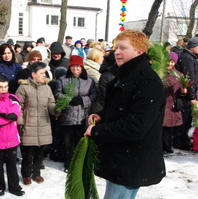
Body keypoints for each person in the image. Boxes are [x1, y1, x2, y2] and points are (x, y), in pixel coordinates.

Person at [84, 29, 166, 199]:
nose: (117, 52)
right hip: (121, 157)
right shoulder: (124, 74)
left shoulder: (146, 81)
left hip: (131, 160)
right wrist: (102, 115)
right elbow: (119, 108)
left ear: (139, 52)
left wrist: (97, 132)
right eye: (116, 47)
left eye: (123, 48)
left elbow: (136, 127)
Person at [15, 61, 58, 185]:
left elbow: (51, 104)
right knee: (27, 152)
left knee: (40, 152)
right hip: (28, 124)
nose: (44, 75)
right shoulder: (23, 87)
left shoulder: (47, 87)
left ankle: (36, 173)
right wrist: (20, 123)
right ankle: (26, 174)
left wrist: (56, 109)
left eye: (45, 73)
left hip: (43, 123)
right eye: (42, 73)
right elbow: (18, 106)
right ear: (33, 74)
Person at [55, 55, 97, 172]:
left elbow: (94, 94)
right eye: (73, 67)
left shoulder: (89, 80)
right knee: (67, 142)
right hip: (67, 116)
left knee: (79, 141)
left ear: (82, 67)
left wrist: (83, 100)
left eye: (78, 67)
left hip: (82, 115)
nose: (75, 70)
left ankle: (79, 164)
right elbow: (57, 93)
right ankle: (68, 164)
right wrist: (69, 99)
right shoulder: (63, 80)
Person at [175, 36, 198, 150]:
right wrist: (192, 96)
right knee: (184, 119)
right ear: (193, 47)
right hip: (186, 95)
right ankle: (181, 141)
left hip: (186, 94)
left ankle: (182, 140)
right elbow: (190, 78)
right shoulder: (188, 58)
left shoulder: (188, 56)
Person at [162, 52, 184, 153]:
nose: (170, 64)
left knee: (170, 127)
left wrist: (183, 91)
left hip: (173, 103)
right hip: (163, 103)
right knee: (162, 127)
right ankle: (162, 146)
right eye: (168, 61)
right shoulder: (160, 73)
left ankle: (168, 146)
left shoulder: (178, 74)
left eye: (172, 62)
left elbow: (180, 91)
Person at [83, 48, 105, 112]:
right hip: (95, 103)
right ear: (96, 57)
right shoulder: (91, 70)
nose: (103, 59)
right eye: (101, 57)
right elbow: (98, 87)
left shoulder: (95, 68)